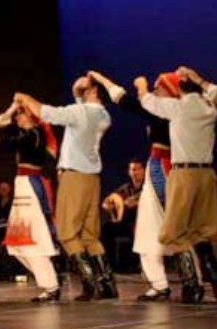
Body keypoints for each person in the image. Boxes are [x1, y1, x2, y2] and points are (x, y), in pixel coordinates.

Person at [15, 76, 116, 301]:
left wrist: (26, 98)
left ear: (94, 91)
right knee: (90, 236)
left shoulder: (80, 113)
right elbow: (79, 99)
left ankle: (90, 283)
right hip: (92, 177)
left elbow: (47, 113)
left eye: (87, 87)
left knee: (67, 232)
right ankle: (107, 284)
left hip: (74, 176)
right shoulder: (103, 115)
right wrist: (80, 88)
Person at [90, 69, 178, 300]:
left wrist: (139, 87)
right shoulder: (167, 111)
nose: (155, 91)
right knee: (149, 229)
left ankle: (185, 283)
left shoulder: (167, 111)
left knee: (174, 228)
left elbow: (124, 99)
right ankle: (161, 283)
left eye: (159, 87)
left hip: (162, 169)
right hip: (158, 166)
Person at [139, 67, 217, 303]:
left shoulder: (178, 107)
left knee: (172, 232)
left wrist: (141, 85)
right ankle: (214, 280)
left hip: (183, 174)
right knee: (202, 231)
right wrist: (201, 81)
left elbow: (147, 101)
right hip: (207, 174)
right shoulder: (209, 108)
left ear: (179, 89)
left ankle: (193, 286)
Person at [0, 101, 61, 302]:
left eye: (20, 114)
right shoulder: (26, 133)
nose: (16, 117)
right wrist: (10, 109)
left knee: (35, 238)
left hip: (32, 185)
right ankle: (48, 281)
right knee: (16, 245)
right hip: (23, 184)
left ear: (30, 116)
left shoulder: (34, 134)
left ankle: (51, 284)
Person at [100, 159, 144, 273]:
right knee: (107, 229)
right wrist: (107, 205)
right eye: (132, 169)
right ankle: (110, 266)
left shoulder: (148, 187)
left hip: (144, 223)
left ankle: (135, 265)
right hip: (128, 223)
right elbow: (110, 199)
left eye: (138, 169)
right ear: (129, 172)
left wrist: (138, 202)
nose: (135, 172)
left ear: (143, 170)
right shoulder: (126, 188)